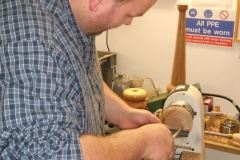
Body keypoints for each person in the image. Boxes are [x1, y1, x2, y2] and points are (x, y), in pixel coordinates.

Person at [0, 0, 174, 159]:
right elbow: (50, 154)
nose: (128, 22)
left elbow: (77, 76)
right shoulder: (34, 40)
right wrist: (143, 143)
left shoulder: (78, 18)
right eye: (129, 15)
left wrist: (123, 114)